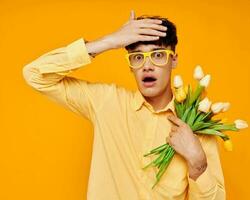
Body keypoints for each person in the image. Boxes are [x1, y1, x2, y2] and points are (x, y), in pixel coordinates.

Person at [23, 10, 225, 200]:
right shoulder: (107, 102)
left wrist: (198, 164)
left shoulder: (197, 126)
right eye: (137, 57)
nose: (147, 65)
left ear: (174, 60)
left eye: (157, 55)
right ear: (130, 65)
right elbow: (35, 75)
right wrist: (107, 42)